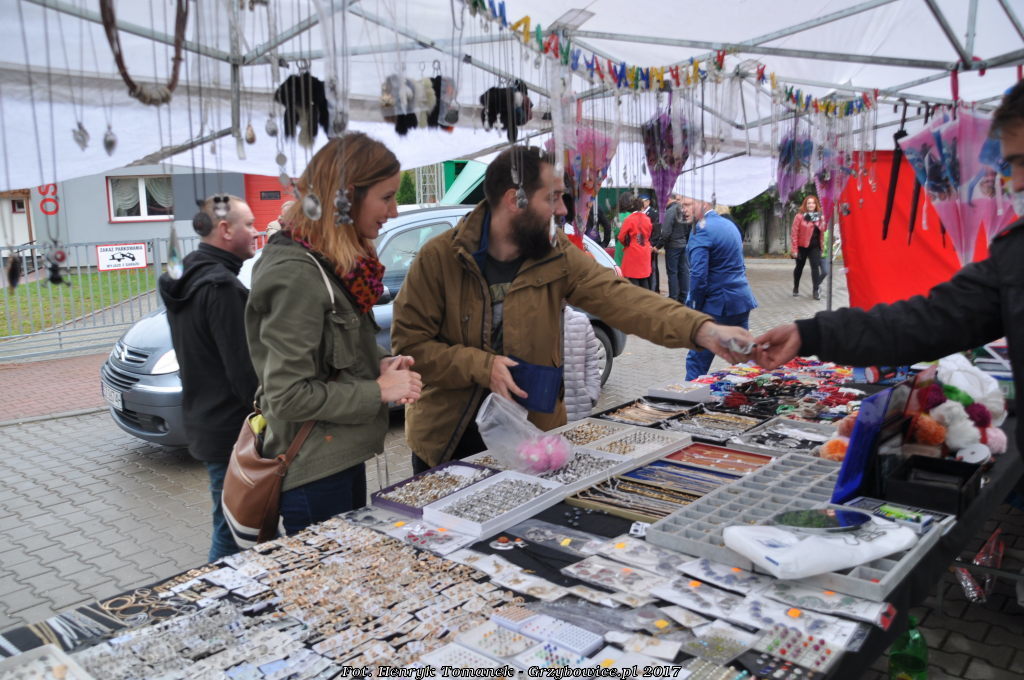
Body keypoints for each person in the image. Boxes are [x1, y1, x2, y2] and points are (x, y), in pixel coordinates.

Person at [391, 145, 757, 472]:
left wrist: (703, 330)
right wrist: (482, 367)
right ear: (515, 200)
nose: (563, 209)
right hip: (449, 441)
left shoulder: (555, 254)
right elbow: (410, 348)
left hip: (533, 436)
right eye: (553, 198)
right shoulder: (439, 258)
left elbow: (622, 299)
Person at [755, 78, 1024, 457]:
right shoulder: (1015, 253)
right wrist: (811, 333)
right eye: (1010, 165)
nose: (1015, 183)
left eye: (1022, 162)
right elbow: (929, 320)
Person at [245, 133, 422, 535]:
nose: (394, 211)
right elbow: (286, 395)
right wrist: (378, 391)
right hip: (313, 474)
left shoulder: (332, 262)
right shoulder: (297, 274)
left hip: (337, 459)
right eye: (386, 197)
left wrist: (380, 366)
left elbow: (331, 355)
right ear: (346, 197)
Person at [158, 194, 259, 561]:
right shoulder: (221, 288)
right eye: (249, 224)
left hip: (205, 420)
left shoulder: (187, 275)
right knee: (232, 532)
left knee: (237, 524)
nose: (256, 232)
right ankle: (216, 591)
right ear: (225, 229)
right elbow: (244, 373)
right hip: (232, 430)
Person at [683, 195, 759, 380]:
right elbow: (740, 264)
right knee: (742, 356)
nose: (683, 209)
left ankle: (690, 395)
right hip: (740, 300)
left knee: (697, 361)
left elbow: (698, 276)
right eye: (682, 205)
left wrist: (694, 307)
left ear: (704, 203)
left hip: (716, 305)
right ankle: (749, 390)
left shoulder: (701, 230)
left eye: (688, 204)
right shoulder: (729, 225)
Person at [563, 306, 602, 422]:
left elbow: (591, 362)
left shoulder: (581, 321)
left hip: (580, 410)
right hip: (546, 417)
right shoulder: (534, 323)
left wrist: (592, 394)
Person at [791, 195, 826, 299]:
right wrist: (794, 249)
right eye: (809, 203)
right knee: (799, 268)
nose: (811, 205)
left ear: (816, 205)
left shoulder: (819, 216)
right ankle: (796, 287)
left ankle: (815, 291)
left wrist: (823, 221)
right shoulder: (799, 216)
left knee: (815, 268)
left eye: (813, 203)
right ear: (805, 205)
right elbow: (794, 233)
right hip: (802, 246)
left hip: (815, 247)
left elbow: (823, 231)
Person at [617, 194, 653, 288]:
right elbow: (649, 234)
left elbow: (621, 236)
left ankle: (636, 296)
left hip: (632, 249)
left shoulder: (630, 219)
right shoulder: (647, 219)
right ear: (642, 207)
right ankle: (646, 296)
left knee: (633, 278)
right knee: (644, 277)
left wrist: (626, 244)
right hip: (645, 248)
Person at [662, 193, 692, 303]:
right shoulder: (683, 209)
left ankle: (673, 298)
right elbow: (689, 227)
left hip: (673, 246)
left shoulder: (670, 211)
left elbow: (666, 232)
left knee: (672, 272)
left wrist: (659, 245)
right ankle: (683, 296)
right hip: (683, 244)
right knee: (684, 271)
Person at [642, 195, 662, 293]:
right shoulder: (641, 213)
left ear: (648, 202)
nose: (643, 203)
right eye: (641, 201)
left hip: (651, 245)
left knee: (653, 267)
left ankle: (655, 288)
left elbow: (656, 231)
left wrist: (652, 244)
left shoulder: (654, 214)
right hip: (643, 245)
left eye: (644, 201)